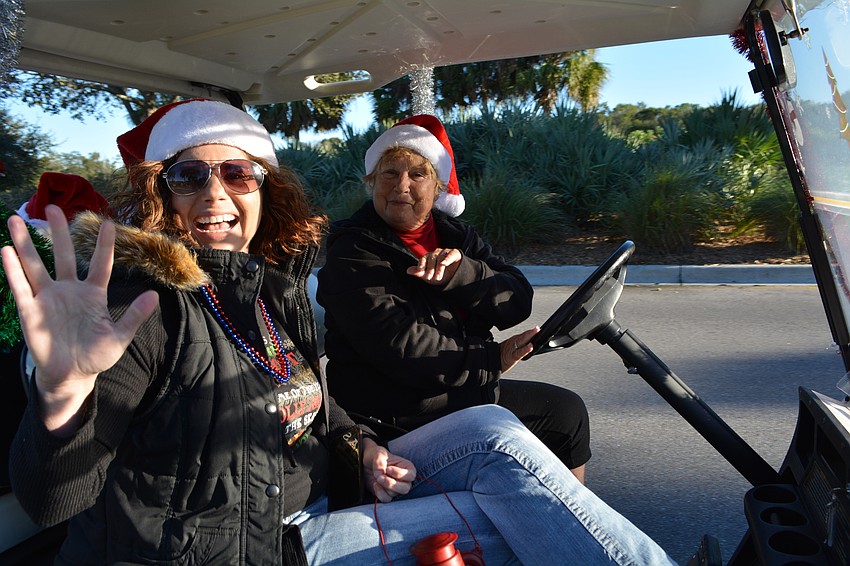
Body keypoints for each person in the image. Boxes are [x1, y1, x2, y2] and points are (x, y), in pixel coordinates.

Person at [3, 98, 675, 565]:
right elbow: (54, 497)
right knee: (524, 517)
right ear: (163, 195)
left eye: (237, 173)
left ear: (265, 191)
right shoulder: (144, 307)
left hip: (316, 499)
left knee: (499, 435)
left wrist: (359, 443)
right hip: (250, 549)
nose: (215, 193)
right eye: (189, 175)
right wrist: (63, 398)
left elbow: (307, 400)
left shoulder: (268, 292)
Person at [317, 114, 591, 481]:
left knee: (566, 414)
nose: (401, 185)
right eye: (389, 173)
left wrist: (462, 274)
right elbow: (401, 347)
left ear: (437, 188)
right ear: (372, 181)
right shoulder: (352, 249)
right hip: (395, 415)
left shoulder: (456, 235)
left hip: (459, 395)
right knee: (522, 441)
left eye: (418, 174)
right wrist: (492, 359)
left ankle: (568, 513)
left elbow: (516, 300)